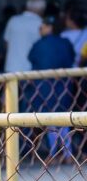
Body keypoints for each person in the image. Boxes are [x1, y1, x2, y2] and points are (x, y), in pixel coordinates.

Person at [29, 10, 76, 162]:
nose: (40, 29)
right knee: (65, 119)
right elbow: (70, 60)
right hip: (64, 85)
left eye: (42, 26)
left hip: (44, 86)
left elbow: (33, 60)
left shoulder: (38, 44)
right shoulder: (65, 43)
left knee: (50, 119)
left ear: (49, 27)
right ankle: (67, 154)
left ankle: (54, 153)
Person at [2, 0, 47, 72]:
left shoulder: (13, 20)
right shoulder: (41, 23)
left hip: (11, 68)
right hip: (30, 70)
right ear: (42, 10)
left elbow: (6, 44)